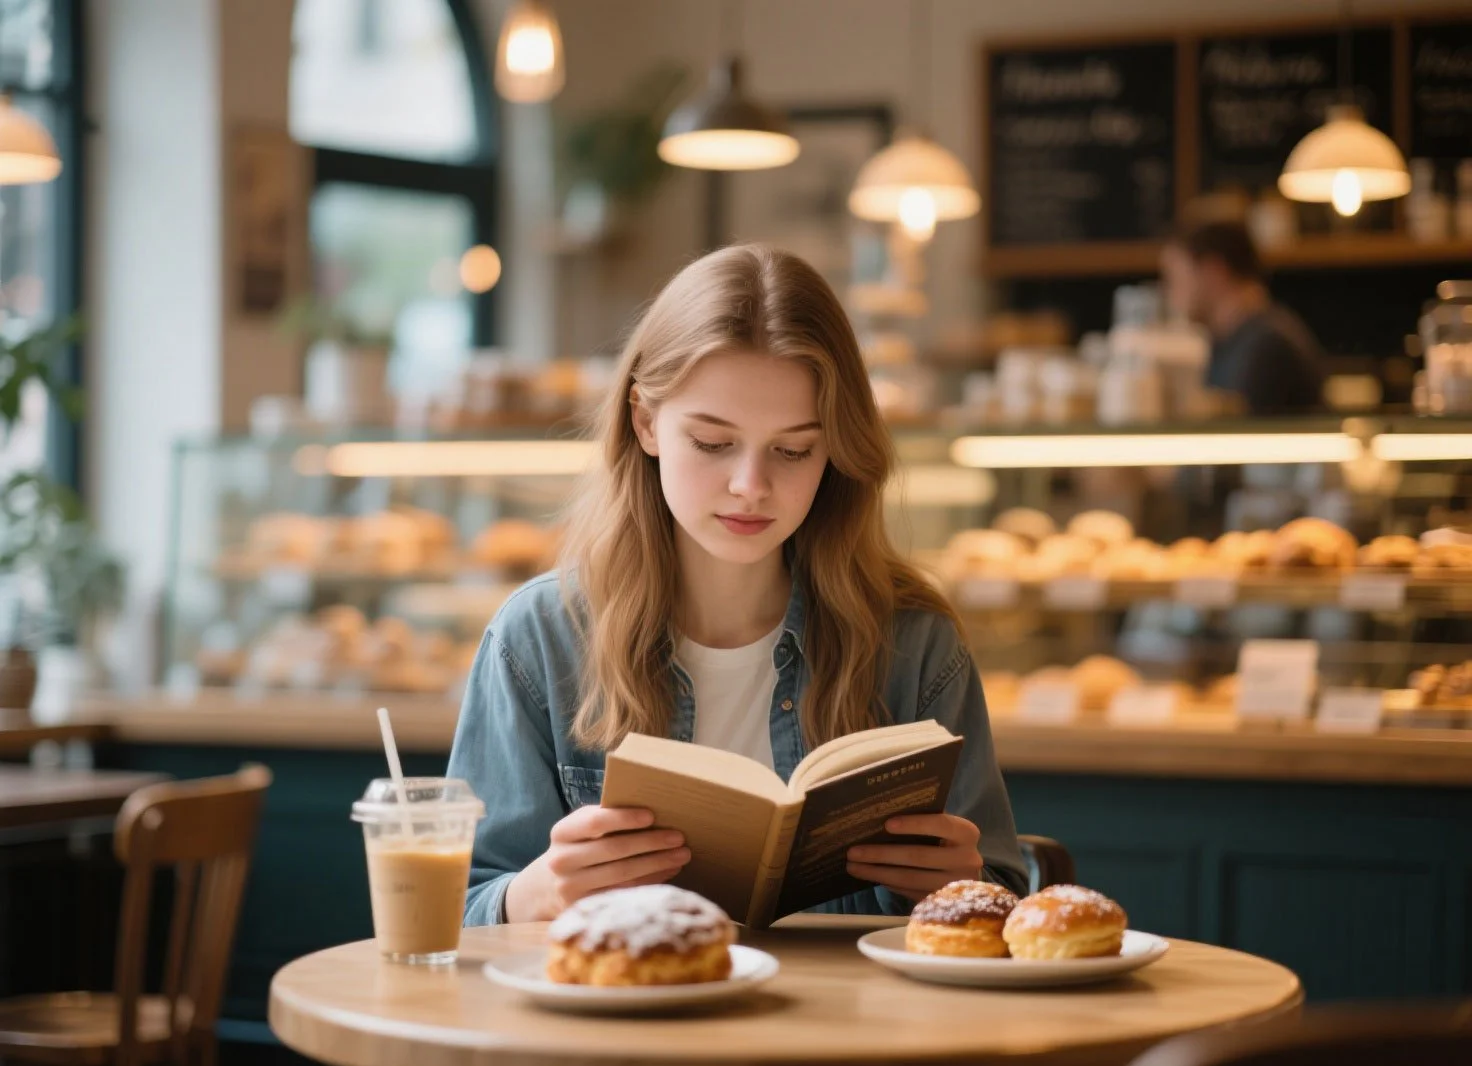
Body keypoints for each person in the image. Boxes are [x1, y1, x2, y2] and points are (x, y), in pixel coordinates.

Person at [449, 244, 1027, 942]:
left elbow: (1003, 905)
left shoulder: (913, 642)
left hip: (856, 1042)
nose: (751, 485)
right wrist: (530, 895)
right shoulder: (539, 637)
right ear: (645, 422)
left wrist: (964, 891)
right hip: (623, 1040)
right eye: (714, 443)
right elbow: (463, 912)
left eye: (793, 451)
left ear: (835, 450)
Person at [1160, 220, 1325, 415]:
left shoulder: (1267, 346)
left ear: (1214, 271)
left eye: (1175, 278)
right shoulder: (1233, 340)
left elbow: (1247, 436)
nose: (1169, 294)